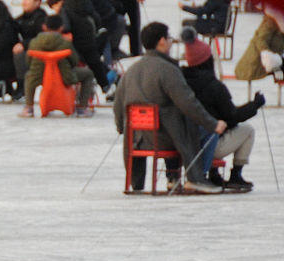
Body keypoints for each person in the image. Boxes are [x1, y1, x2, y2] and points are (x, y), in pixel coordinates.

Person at [113, 22, 226, 193]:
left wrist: (122, 128)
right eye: (169, 38)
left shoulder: (132, 70)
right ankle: (197, 176)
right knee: (202, 130)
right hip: (163, 136)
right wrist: (212, 123)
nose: (171, 43)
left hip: (135, 137)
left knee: (172, 121)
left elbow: (118, 105)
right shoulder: (168, 70)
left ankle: (171, 178)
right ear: (161, 41)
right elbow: (188, 103)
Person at [180, 29, 264, 191]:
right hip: (209, 143)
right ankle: (236, 175)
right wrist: (254, 105)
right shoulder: (214, 87)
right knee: (247, 130)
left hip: (185, 140)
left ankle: (214, 173)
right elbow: (232, 117)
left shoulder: (181, 82)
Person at [19, 14, 96, 117]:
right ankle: (82, 108)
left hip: (38, 77)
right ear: (61, 27)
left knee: (29, 75)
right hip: (64, 76)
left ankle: (29, 108)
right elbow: (74, 61)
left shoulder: (34, 42)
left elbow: (28, 61)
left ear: (44, 27)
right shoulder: (65, 43)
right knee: (88, 74)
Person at [47, 0, 111, 97]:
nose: (55, 10)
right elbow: (97, 19)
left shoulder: (64, 9)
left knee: (72, 62)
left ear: (59, 2)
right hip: (90, 41)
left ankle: (78, 93)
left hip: (76, 45)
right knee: (95, 63)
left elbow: (66, 27)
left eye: (54, 6)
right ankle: (105, 85)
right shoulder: (86, 5)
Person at [234, 7, 284, 83]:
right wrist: (268, 56)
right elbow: (260, 39)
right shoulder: (271, 20)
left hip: (275, 65)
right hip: (255, 65)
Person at [11, 0, 47, 99]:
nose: (24, 2)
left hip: (38, 52)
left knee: (20, 55)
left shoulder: (41, 18)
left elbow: (42, 38)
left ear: (38, 3)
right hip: (26, 50)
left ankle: (21, 85)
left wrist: (24, 44)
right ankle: (7, 84)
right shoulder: (21, 18)